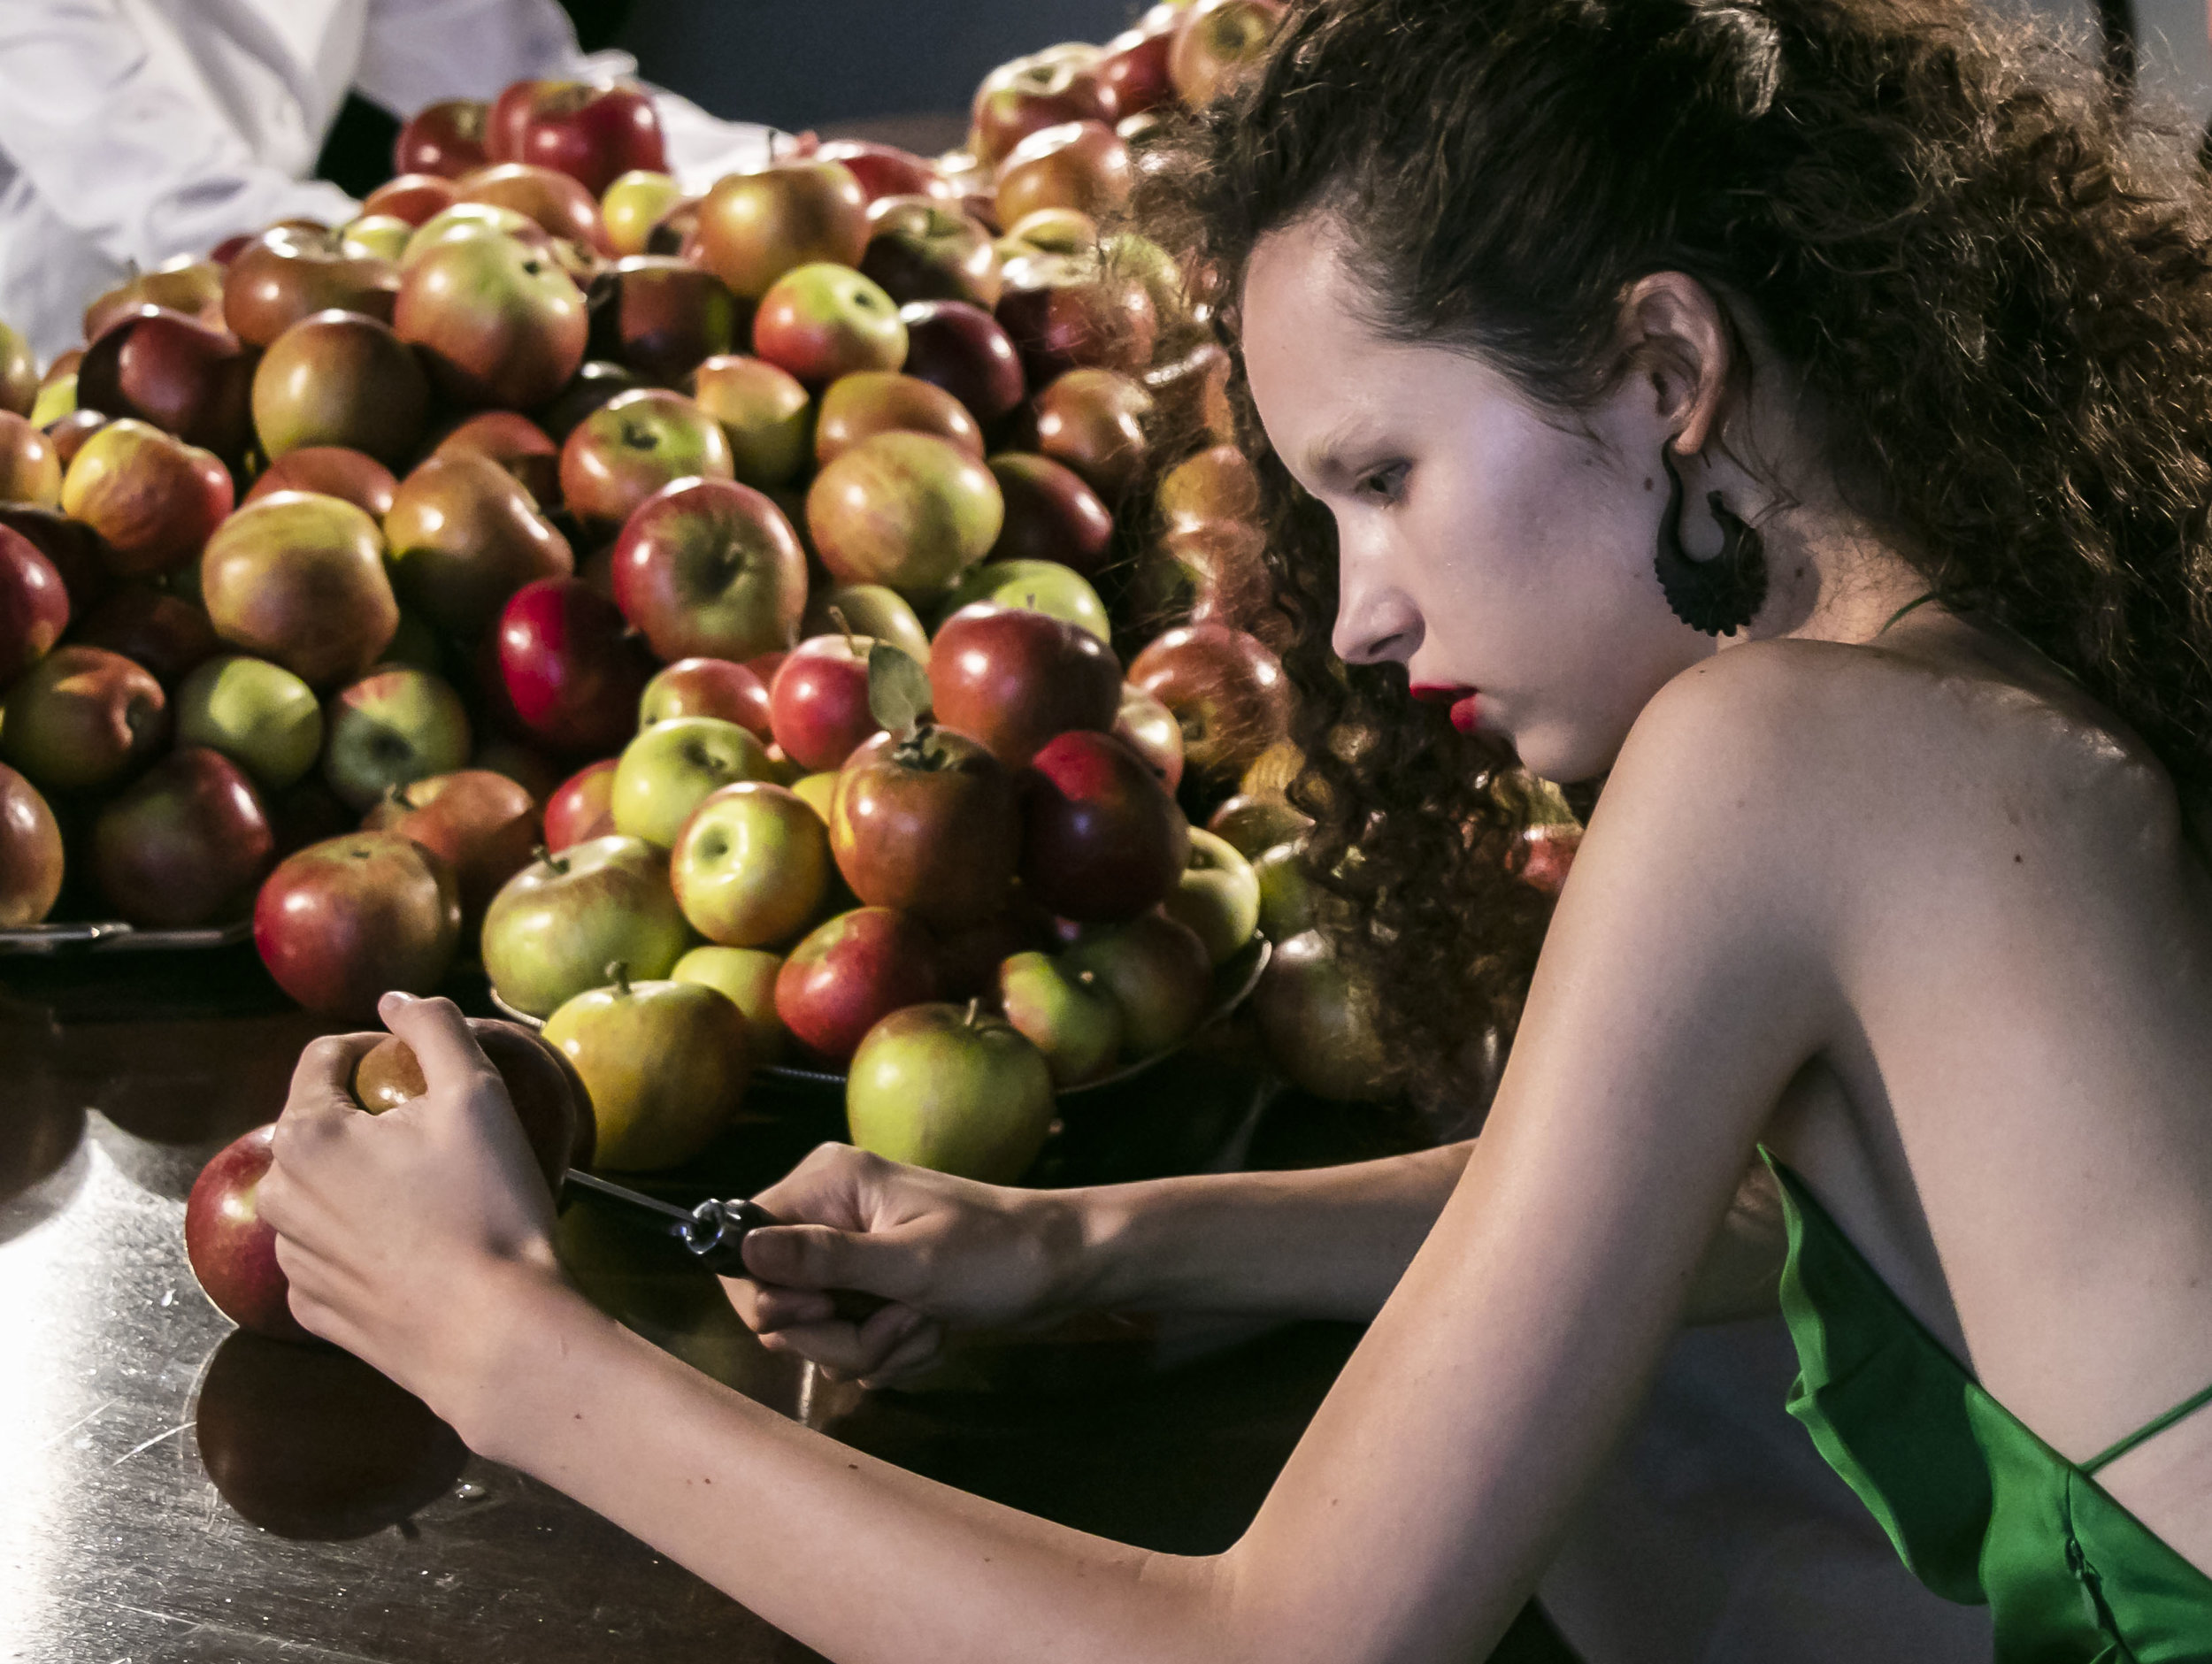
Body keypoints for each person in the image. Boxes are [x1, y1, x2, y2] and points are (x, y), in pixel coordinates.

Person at [258, 0, 2212, 1659]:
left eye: (1384, 473)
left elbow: (1278, 1646)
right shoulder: (2000, 661)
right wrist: (1095, 1239)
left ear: (1665, 371)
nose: (1357, 608)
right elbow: (1779, 1213)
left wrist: (499, 1346)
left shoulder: (1773, 748)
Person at [0, 0, 771, 363]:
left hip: (268, 343)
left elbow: (538, 91)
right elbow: (175, 195)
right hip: (62, 373)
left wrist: (761, 169)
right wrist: (473, 262)